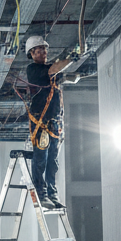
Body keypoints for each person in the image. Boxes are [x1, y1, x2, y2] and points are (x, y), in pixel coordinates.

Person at [24, 35, 79, 210]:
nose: (44, 52)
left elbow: (62, 74)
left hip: (55, 123)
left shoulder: (51, 70)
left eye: (45, 49)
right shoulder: (33, 70)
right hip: (41, 123)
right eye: (39, 49)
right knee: (41, 159)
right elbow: (54, 69)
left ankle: (52, 193)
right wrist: (71, 58)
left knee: (52, 161)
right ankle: (41, 194)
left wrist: (75, 72)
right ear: (32, 53)